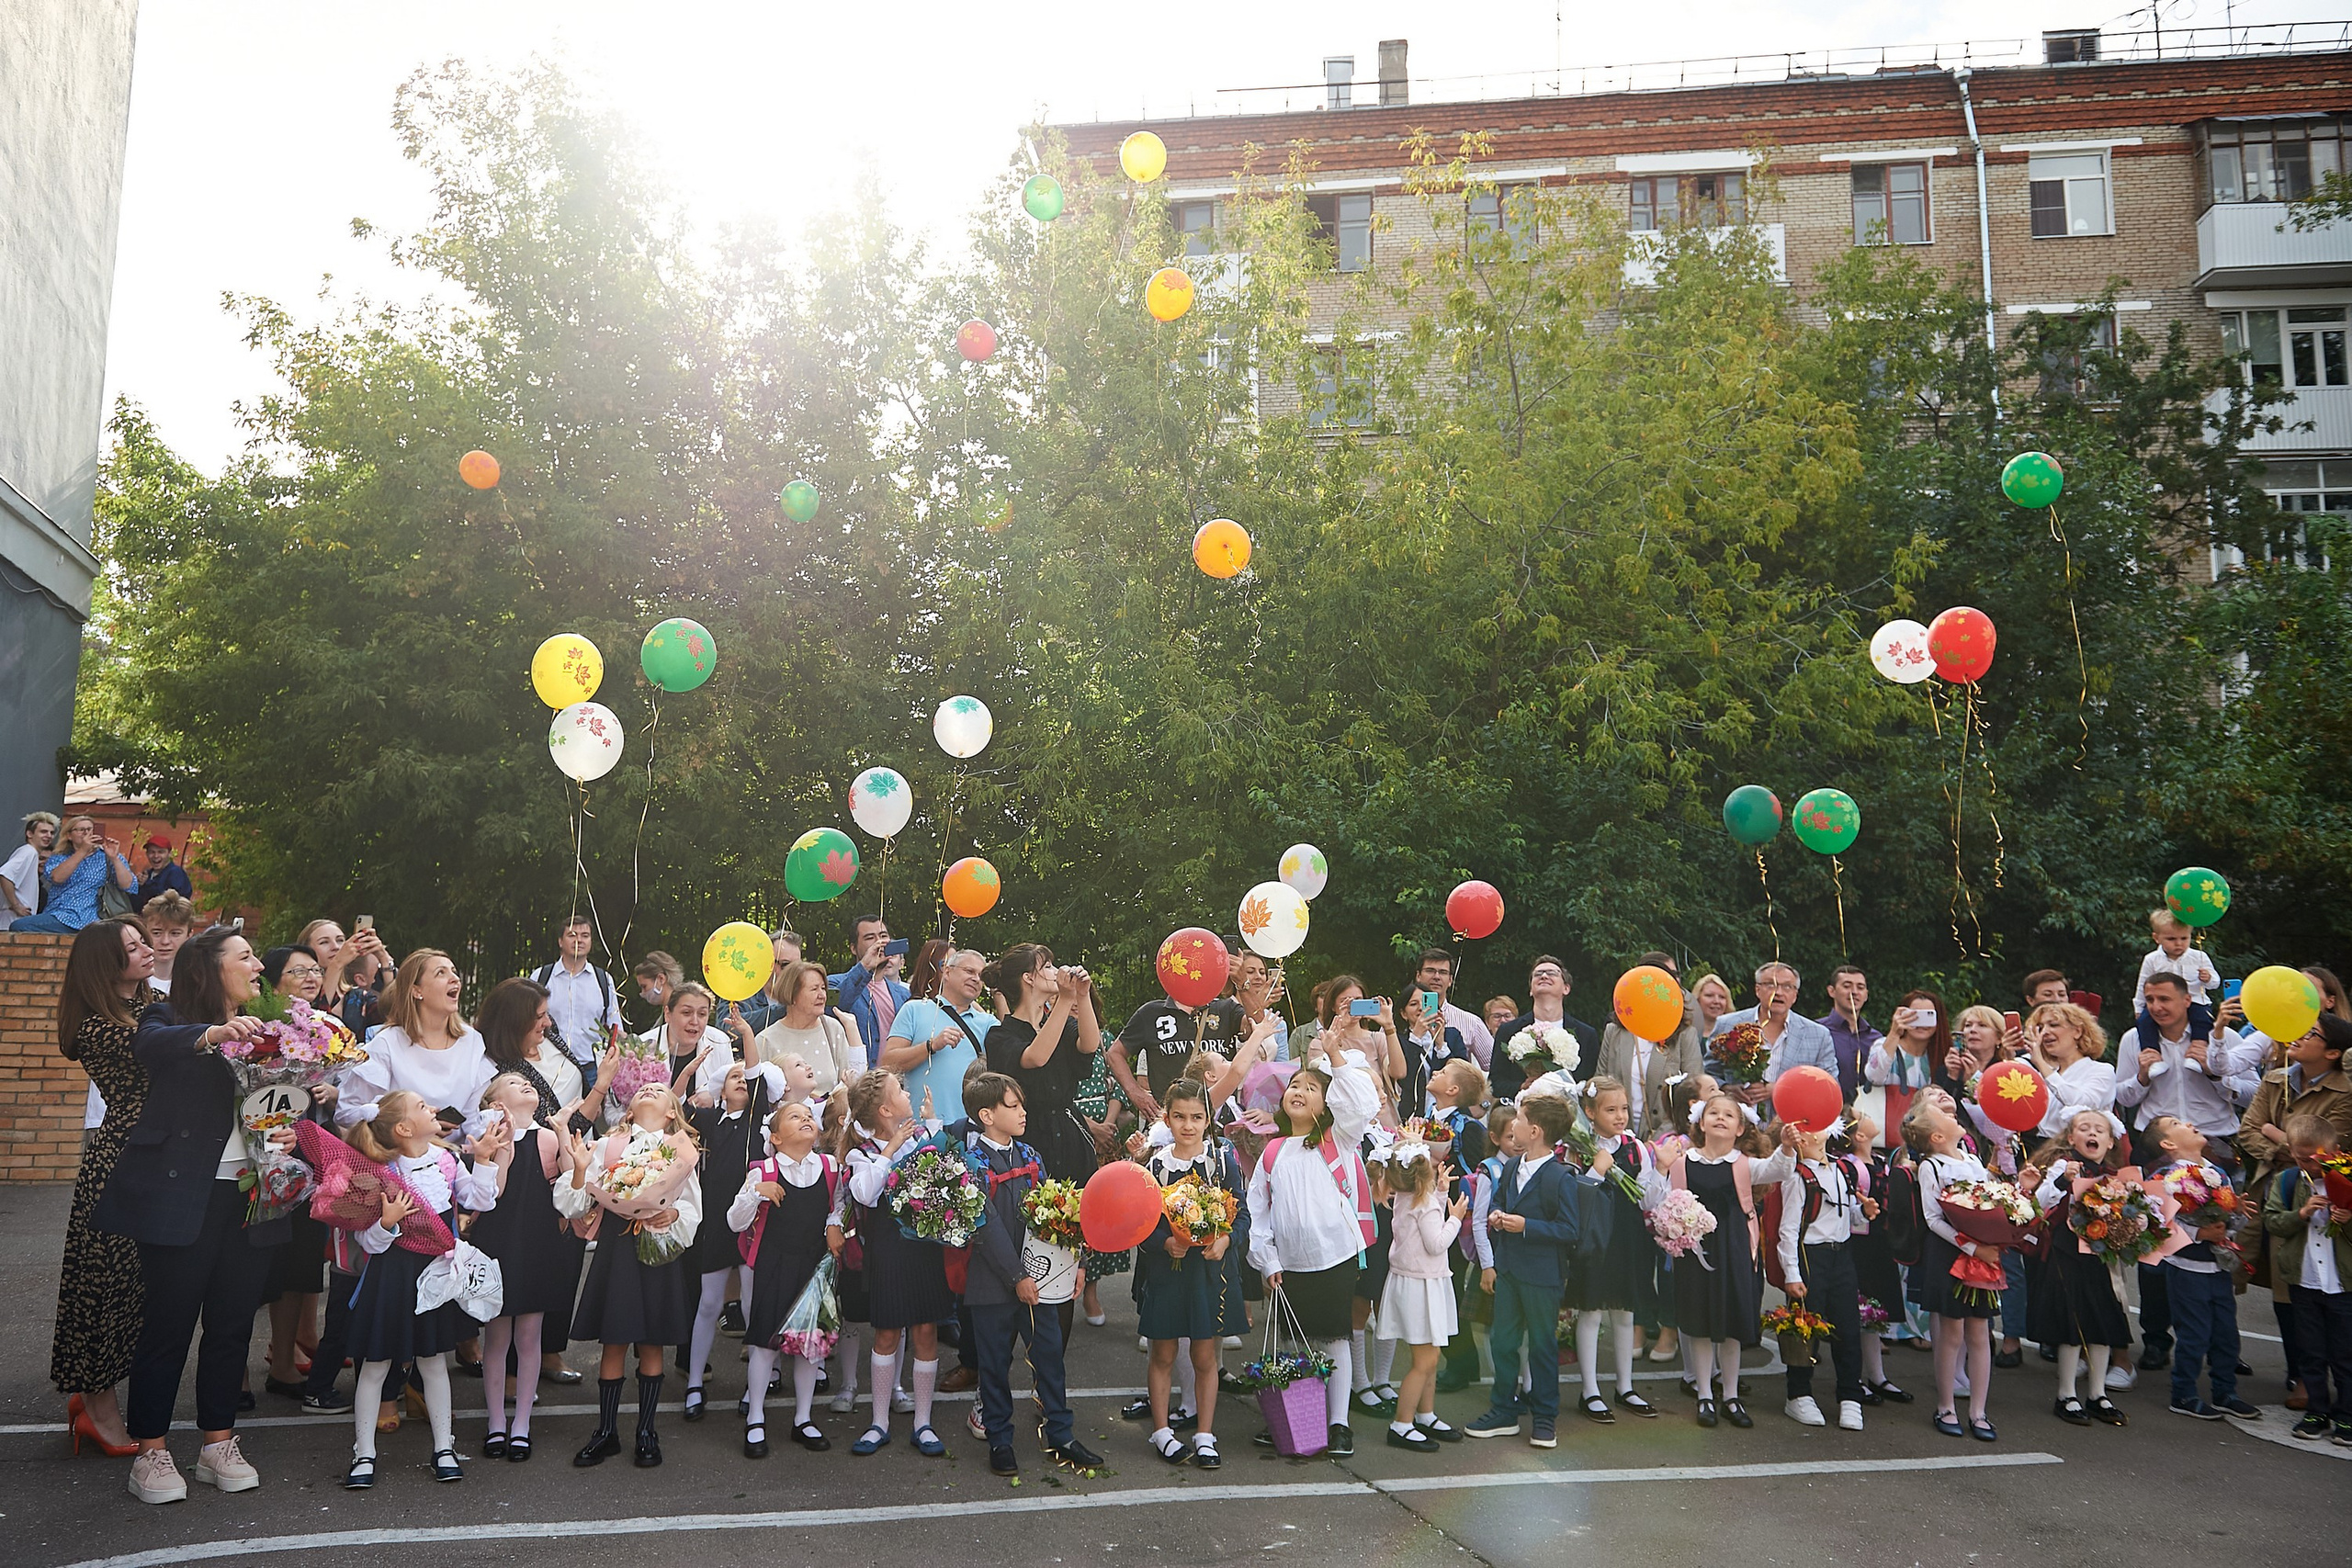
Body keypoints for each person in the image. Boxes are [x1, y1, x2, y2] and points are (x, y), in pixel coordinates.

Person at [91, 928, 297, 1504]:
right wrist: (213, 1034)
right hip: (184, 1196)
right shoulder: (167, 1015)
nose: (259, 965)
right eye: (246, 957)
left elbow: (280, 1102)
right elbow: (149, 1046)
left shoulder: (278, 1026)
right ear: (210, 967)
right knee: (168, 1326)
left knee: (232, 1325)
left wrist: (304, 1105)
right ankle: (151, 1452)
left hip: (253, 1194)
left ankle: (218, 1444)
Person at [334, 1090, 503, 1488]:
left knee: (433, 1360)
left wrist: (483, 1161)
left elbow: (481, 1200)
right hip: (389, 1278)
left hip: (435, 1276)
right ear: (404, 1128)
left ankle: (444, 1446)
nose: (433, 1109)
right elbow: (368, 1244)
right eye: (423, 1107)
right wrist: (387, 1222)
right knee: (375, 1365)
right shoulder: (380, 1171)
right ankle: (364, 1452)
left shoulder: (445, 1160)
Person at [2113, 972, 2261, 1374]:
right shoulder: (2135, 1039)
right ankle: (2158, 1340)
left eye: (2164, 999)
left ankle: (2220, 1343)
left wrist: (2214, 1072)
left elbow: (2252, 1090)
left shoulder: (2222, 1036)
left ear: (2187, 999)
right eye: (2149, 1000)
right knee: (2157, 1247)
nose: (2156, 1008)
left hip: (2213, 1144)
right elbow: (2122, 1095)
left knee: (2218, 1242)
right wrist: (2143, 1075)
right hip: (2159, 1150)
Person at [959, 1072, 1103, 1474]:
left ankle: (1062, 1434)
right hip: (994, 1284)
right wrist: (1016, 1277)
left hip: (1042, 1281)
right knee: (994, 1364)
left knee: (1050, 1358)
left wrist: (1077, 1264)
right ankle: (1000, 1440)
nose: (1024, 1112)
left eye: (1022, 1104)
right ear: (986, 1115)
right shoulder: (971, 1163)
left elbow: (1059, 1213)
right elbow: (985, 1226)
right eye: (1014, 1106)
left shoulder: (1031, 1155)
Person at [50, 916, 157, 1456]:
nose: (146, 950)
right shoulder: (100, 1024)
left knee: (138, 1288)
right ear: (104, 965)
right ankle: (99, 1409)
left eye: (143, 942)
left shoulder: (151, 1005)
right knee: (106, 1287)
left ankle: (95, 1399)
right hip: (121, 1159)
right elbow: (170, 1042)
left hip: (159, 1155)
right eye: (132, 947)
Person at [556, 1082, 703, 1468]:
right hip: (617, 1249)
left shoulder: (681, 1152)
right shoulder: (608, 1146)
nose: (649, 1090)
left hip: (657, 1249)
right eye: (642, 1089)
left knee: (652, 1342)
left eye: (658, 1089)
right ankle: (606, 1431)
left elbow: (691, 1208)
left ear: (672, 1112)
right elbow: (578, 1199)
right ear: (630, 1110)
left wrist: (671, 1215)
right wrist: (583, 1170)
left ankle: (646, 1430)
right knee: (615, 1340)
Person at [1246, 1066, 1374, 1456]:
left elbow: (1361, 1103)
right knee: (1294, 1343)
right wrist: (1267, 1259)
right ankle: (1299, 1415)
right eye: (1294, 1085)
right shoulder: (1273, 1150)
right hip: (1288, 1265)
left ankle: (1338, 1424)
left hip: (1334, 1257)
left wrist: (1335, 1055)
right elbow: (1259, 1211)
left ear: (1328, 1102)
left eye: (1311, 1087)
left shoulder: (1340, 1139)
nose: (1298, 1091)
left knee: (1335, 1338)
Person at [836, 1069, 954, 1458]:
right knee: (886, 1334)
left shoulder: (921, 1139)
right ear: (887, 1109)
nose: (907, 1093)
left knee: (925, 1333)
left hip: (924, 1249)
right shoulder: (862, 1152)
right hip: (887, 1254)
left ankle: (923, 1421)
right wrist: (889, 1152)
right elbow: (866, 1194)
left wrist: (932, 1123)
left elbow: (947, 1170)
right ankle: (879, 1421)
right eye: (899, 1091)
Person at [1134, 1076, 1249, 1468]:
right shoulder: (1155, 1166)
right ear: (1166, 1118)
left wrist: (1226, 1241)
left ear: (1208, 1120)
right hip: (1168, 1272)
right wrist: (1164, 1243)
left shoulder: (1222, 1162)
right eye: (1179, 1117)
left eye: (1196, 1117)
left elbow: (1243, 1216)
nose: (1188, 1125)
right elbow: (1140, 1223)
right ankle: (1162, 1430)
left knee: (1204, 1355)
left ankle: (1204, 1432)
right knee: (1163, 1351)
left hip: (1207, 1275)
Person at [2239, 1014, 2352, 1401]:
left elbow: (2323, 1148)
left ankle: (2326, 1379)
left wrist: (2279, 1134)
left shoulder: (2344, 1091)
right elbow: (2248, 1130)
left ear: (2333, 1052)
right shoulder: (2275, 1079)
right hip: (2276, 1188)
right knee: (2286, 1285)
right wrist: (2282, 1144)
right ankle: (2300, 1374)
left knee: (2326, 1289)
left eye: (2312, 1034)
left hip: (2324, 1189)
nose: (2299, 1037)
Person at [1464, 1093, 1585, 1448]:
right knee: (1503, 1340)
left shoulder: (1560, 1176)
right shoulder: (1513, 1167)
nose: (1511, 1124)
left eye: (1517, 1119)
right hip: (1511, 1270)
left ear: (1533, 1131)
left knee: (1542, 1346)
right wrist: (1498, 1216)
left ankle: (1545, 1418)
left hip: (1542, 1275)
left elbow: (1569, 1229)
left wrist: (1526, 1226)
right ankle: (1504, 1409)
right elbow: (1500, 1201)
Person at [1668, 1093, 1795, 1429]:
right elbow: (1670, 1203)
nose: (1720, 1118)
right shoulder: (1683, 1163)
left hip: (1735, 1247)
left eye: (1729, 1115)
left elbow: (1777, 1169)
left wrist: (1787, 1147)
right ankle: (1704, 1394)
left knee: (1731, 1325)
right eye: (1714, 1113)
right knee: (1699, 1322)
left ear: (1740, 1128)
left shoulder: (1742, 1164)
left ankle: (1731, 1395)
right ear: (1701, 1122)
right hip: (1695, 1250)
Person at [469, 1071, 578, 1463]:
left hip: (537, 1242)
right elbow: (491, 1193)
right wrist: (502, 1150)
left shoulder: (546, 1136)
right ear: (495, 1102)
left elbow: (570, 1185)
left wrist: (564, 1134)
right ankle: (496, 1421)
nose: (526, 1085)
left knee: (530, 1336)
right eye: (513, 1084)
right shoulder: (490, 1139)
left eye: (527, 1083)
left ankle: (522, 1425)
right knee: (496, 1338)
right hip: (499, 1243)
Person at [728, 1099, 841, 1457]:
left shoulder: (830, 1166)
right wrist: (754, 1193)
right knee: (764, 1343)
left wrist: (834, 1224)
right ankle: (756, 1417)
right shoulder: (763, 1171)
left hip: (813, 1267)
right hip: (774, 1266)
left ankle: (803, 1418)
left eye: (809, 1116)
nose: (806, 1118)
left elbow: (837, 1206)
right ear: (775, 1137)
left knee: (809, 1346)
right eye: (795, 1117)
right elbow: (734, 1221)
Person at [2139, 1113, 2258, 1421]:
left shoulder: (2217, 1171)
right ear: (2168, 1144)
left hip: (2217, 1266)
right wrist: (2199, 1233)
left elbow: (2229, 1217)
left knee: (2226, 1333)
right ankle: (2184, 1393)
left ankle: (2225, 1392)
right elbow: (2160, 1224)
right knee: (2194, 1334)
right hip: (2187, 1268)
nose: (2190, 1123)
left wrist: (2236, 1215)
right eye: (2177, 1125)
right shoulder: (2165, 1178)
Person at [681, 1061, 776, 1421]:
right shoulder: (707, 1123)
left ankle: (755, 1385)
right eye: (732, 1078)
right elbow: (674, 1106)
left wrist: (747, 1033)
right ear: (719, 1089)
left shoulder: (759, 1121)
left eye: (746, 1079)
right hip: (716, 1225)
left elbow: (755, 1073)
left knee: (753, 1306)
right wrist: (688, 1071)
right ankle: (694, 1382)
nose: (742, 1082)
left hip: (754, 1223)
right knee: (708, 1303)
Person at [2027, 1108, 2133, 1427]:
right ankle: (2066, 1394)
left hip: (2099, 1256)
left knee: (2101, 1321)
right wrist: (2064, 1179)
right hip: (2066, 1252)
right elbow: (2043, 1199)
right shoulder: (2064, 1166)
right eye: (2084, 1129)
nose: (2093, 1134)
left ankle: (2098, 1394)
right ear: (2071, 1138)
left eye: (2099, 1130)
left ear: (2110, 1141)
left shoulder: (2115, 1177)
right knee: (2072, 1323)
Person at [1569, 1076, 1666, 1423]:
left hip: (1627, 1236)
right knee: (1591, 1311)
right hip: (1595, 1239)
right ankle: (1589, 1390)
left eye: (1624, 1108)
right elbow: (1577, 1195)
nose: (1621, 1116)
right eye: (1611, 1109)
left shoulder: (1635, 1147)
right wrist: (1596, 1171)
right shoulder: (1577, 1147)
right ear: (1590, 1112)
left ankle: (1625, 1385)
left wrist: (1662, 1168)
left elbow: (1648, 1197)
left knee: (1626, 1312)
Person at [1905, 1096, 1999, 1440]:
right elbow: (1933, 1219)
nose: (1949, 1113)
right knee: (1952, 1332)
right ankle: (1945, 1405)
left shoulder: (1973, 1160)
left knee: (1979, 1331)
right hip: (1950, 1255)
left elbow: (1992, 1199)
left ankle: (1978, 1410)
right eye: (1939, 1115)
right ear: (1936, 1138)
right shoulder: (1932, 1167)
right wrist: (1973, 1246)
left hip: (1983, 1256)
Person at [334, 950, 495, 1134]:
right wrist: (413, 1124)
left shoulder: (472, 1041)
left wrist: (491, 1133)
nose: (455, 979)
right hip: (399, 1158)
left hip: (454, 1158)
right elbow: (346, 1114)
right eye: (441, 973)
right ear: (416, 991)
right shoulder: (387, 1043)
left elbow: (471, 1123)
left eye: (453, 971)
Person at [1774, 1116, 1868, 1431]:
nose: (1815, 1130)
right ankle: (1797, 1394)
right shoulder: (1797, 1176)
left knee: (1848, 1329)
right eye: (1806, 1128)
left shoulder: (1843, 1169)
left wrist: (1862, 1213)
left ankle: (1850, 1396)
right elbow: (1787, 1230)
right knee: (1805, 1329)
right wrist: (1791, 1273)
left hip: (1843, 1255)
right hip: (1810, 1257)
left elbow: (1845, 1214)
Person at [982, 944, 1102, 1186]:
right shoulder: (1000, 1035)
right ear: (1028, 978)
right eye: (1047, 966)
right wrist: (1065, 1000)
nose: (1056, 970)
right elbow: (1036, 1057)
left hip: (1070, 1135)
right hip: (1030, 1136)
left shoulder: (1060, 1022)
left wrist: (1082, 995)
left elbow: (1090, 1044)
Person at [2266, 1114, 2352, 1444]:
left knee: (2345, 1353)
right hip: (2305, 1282)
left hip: (2343, 1285)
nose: (2311, 1166)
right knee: (2311, 1351)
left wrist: (2347, 1218)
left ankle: (2347, 1415)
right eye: (2302, 1159)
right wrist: (2299, 1214)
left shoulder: (2347, 1177)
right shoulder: (2288, 1181)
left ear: (2335, 1150)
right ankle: (2317, 1410)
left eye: (2318, 1159)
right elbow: (2272, 1222)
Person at [1378, 1136, 1466, 1453]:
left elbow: (1425, 1222)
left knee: (1432, 1355)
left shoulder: (1407, 1196)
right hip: (1423, 1286)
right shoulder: (1424, 1203)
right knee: (1425, 1359)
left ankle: (1426, 1414)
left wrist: (1440, 1193)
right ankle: (1402, 1424)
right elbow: (1436, 1243)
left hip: (1414, 1282)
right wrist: (1455, 1217)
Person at [1594, 951, 1707, 1139]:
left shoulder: (1685, 1035)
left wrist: (1655, 1143)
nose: (1673, 981)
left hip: (1665, 1140)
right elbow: (1599, 1087)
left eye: (1675, 976)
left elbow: (1693, 1094)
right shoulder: (1614, 1032)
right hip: (1617, 1139)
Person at [1112, 969, 1246, 1122]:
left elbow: (1257, 1025)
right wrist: (1136, 1094)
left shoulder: (1226, 1009)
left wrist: (1243, 984)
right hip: (1171, 1124)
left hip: (1221, 1122)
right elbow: (1115, 1053)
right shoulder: (1150, 1013)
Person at [881, 943, 993, 1124]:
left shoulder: (987, 1022)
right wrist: (931, 1045)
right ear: (947, 972)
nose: (976, 979)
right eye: (969, 971)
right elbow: (888, 1064)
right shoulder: (914, 1009)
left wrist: (999, 992)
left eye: (981, 976)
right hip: (918, 1130)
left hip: (969, 1131)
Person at [1708, 963, 1838, 1104]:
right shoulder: (1727, 1024)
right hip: (1737, 1118)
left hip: (1791, 1121)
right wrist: (1726, 1088)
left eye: (1787, 986)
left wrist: (1781, 1088)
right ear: (1757, 990)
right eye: (1770, 985)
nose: (1779, 992)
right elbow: (1707, 1073)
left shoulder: (1818, 1035)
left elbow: (1829, 1086)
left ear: (1795, 995)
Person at [1490, 955, 1600, 1104]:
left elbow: (1591, 1084)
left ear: (1566, 988)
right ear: (1531, 990)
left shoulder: (1586, 1034)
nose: (1544, 976)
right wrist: (1522, 1087)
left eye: (1552, 973)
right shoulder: (1509, 1031)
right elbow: (1496, 1083)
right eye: (1537, 974)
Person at [752, 960, 861, 1097]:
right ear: (792, 995)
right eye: (814, 989)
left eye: (823, 988)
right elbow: (759, 1096)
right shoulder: (765, 1040)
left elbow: (851, 1082)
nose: (822, 995)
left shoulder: (833, 1028)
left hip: (831, 1117)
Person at [16, 815, 137, 933]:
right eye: (81, 830)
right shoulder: (59, 857)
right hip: (60, 915)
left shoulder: (107, 856)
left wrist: (114, 858)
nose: (86, 833)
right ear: (69, 835)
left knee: (20, 925)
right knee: (20, 926)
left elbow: (128, 885)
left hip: (93, 918)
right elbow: (57, 878)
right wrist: (83, 850)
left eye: (90, 829)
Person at [533, 915, 623, 1072]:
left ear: (591, 942)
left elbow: (616, 1028)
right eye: (572, 935)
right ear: (560, 942)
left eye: (585, 936)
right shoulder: (541, 977)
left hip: (592, 1068)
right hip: (548, 1066)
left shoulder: (603, 980)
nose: (579, 940)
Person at [645, 981, 745, 1104]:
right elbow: (617, 1108)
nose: (695, 1021)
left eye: (702, 1014)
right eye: (686, 1013)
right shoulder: (642, 1046)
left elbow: (730, 1094)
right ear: (667, 1014)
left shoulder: (720, 1041)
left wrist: (714, 1099)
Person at [2025, 1002, 2116, 1138]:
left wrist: (2040, 1063)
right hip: (2040, 1149)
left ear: (2077, 1031)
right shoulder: (2042, 1074)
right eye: (2041, 1027)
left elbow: (2082, 1105)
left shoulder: (2102, 1070)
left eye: (2054, 1025)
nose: (2045, 1032)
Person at [831, 915, 910, 1066]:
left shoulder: (904, 994)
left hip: (893, 1084)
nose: (879, 942)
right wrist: (866, 966)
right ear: (853, 948)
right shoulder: (834, 983)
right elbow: (830, 1010)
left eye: (883, 936)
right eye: (869, 938)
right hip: (856, 1083)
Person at [2139, 909, 2221, 1048]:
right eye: (2171, 939)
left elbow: (2215, 983)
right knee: (2144, 1022)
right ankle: (2151, 1052)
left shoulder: (2199, 956)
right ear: (2157, 938)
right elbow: (2143, 985)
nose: (2178, 944)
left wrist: (2208, 978)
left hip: (2195, 1000)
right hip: (2162, 1003)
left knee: (2203, 1019)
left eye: (2184, 938)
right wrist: (2139, 1007)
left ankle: (2198, 1048)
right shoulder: (2152, 959)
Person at [297, 919, 390, 1033]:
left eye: (340, 941)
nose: (335, 947)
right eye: (324, 942)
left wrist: (384, 958)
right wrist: (337, 963)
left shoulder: (360, 998)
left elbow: (398, 1013)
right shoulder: (302, 994)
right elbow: (318, 1021)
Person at [1411, 948, 1496, 1070]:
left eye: (1443, 972)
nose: (1436, 977)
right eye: (1430, 971)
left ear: (1450, 980)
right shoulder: (1397, 1020)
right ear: (1418, 976)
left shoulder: (1471, 1022)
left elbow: (1494, 1066)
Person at [1818, 964, 1881, 1100]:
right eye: (1847, 986)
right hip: (1827, 1111)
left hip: (1868, 1115)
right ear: (1831, 991)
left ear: (1866, 995)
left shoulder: (1876, 1038)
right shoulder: (1816, 1032)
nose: (1854, 992)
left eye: (1860, 987)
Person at [735, 927, 808, 1035]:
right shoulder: (739, 991)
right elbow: (728, 1030)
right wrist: (784, 1009)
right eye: (785, 965)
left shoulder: (804, 995)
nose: (792, 972)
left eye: (797, 967)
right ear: (766, 962)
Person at [0, 810, 59, 930]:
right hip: (12, 922)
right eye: (43, 831)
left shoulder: (30, 852)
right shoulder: (29, 852)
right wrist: (16, 905)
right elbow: (5, 874)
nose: (48, 836)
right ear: (29, 834)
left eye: (51, 833)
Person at [131, 836, 193, 910]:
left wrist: (147, 884)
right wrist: (137, 886)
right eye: (152, 852)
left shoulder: (176, 873)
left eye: (161, 852)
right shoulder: (147, 874)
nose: (156, 856)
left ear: (169, 854)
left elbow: (171, 900)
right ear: (147, 854)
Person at [629, 952, 684, 1030]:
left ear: (661, 979)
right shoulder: (666, 1012)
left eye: (644, 986)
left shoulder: (678, 1012)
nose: (642, 993)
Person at [1691, 973, 1736, 1039]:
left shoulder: (1735, 1035)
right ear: (1697, 999)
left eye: (1722, 997)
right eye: (1709, 995)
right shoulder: (1683, 1032)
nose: (1716, 1001)